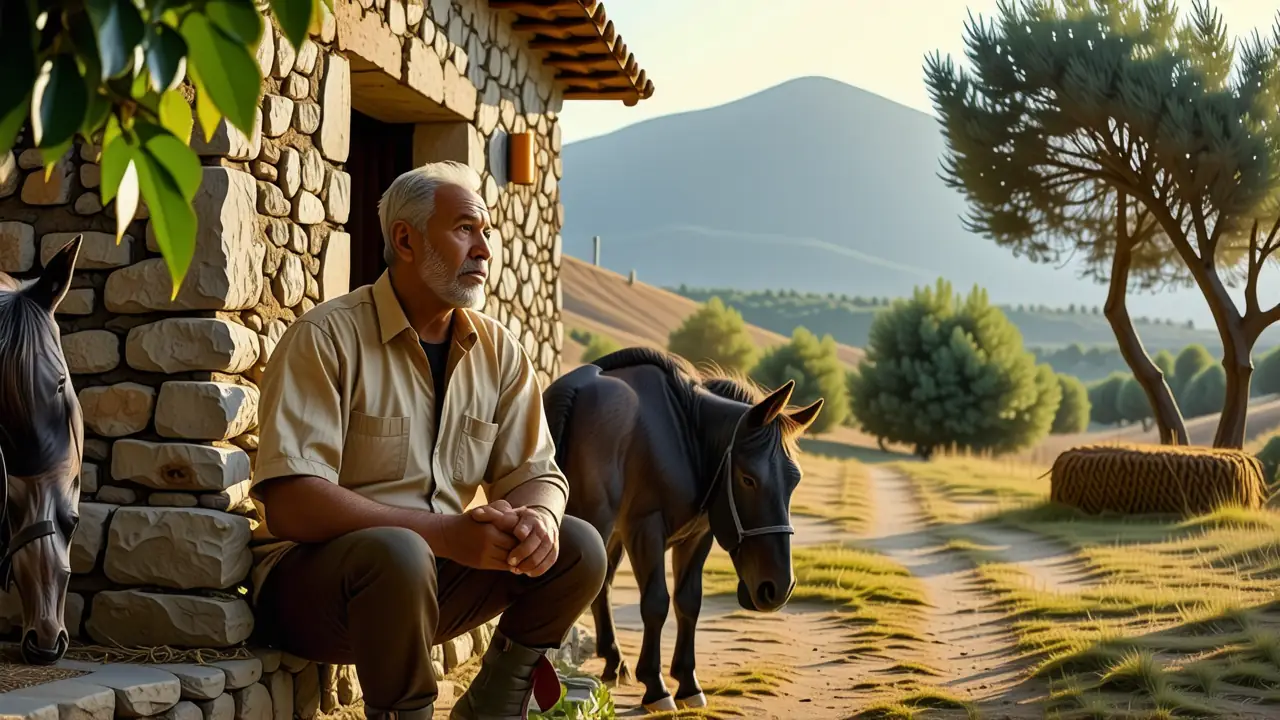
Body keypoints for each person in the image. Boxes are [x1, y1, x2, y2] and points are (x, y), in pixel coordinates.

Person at [248, 160, 607, 720]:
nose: (484, 249)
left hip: (426, 587)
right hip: (313, 593)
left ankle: (494, 706)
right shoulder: (325, 338)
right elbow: (292, 503)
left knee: (578, 545)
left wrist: (539, 517)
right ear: (405, 239)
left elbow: (537, 473)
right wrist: (444, 534)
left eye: (486, 233)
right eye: (466, 228)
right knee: (400, 550)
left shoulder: (499, 351)